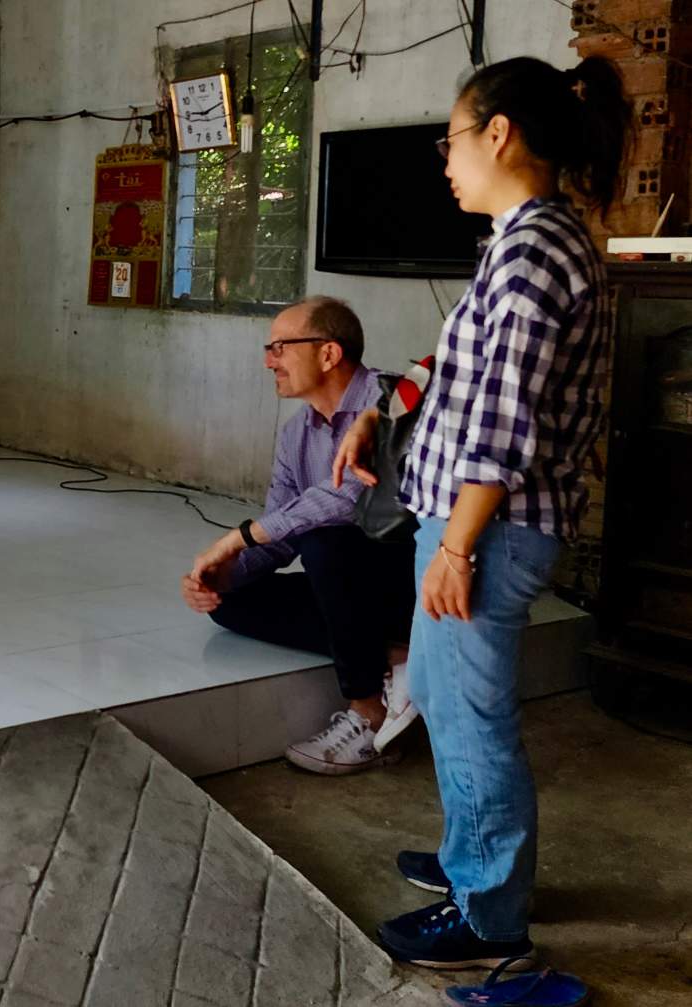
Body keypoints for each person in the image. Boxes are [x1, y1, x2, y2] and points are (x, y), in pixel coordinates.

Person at [335, 56, 627, 970]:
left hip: (489, 528)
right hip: (470, 519)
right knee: (442, 685)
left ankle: (488, 912)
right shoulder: (518, 238)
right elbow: (465, 367)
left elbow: (504, 419)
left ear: (497, 132)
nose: (445, 159)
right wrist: (385, 406)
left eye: (450, 138)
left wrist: (455, 546)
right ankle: (473, 858)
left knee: (470, 716)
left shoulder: (537, 248)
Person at [181, 296, 418, 774]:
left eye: (280, 347)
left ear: (328, 354)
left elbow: (345, 499)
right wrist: (227, 572)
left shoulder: (390, 400)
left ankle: (368, 714)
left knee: (327, 540)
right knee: (232, 600)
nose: (270, 360)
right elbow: (282, 530)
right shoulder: (296, 434)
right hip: (350, 584)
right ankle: (400, 657)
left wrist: (239, 536)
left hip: (416, 578)